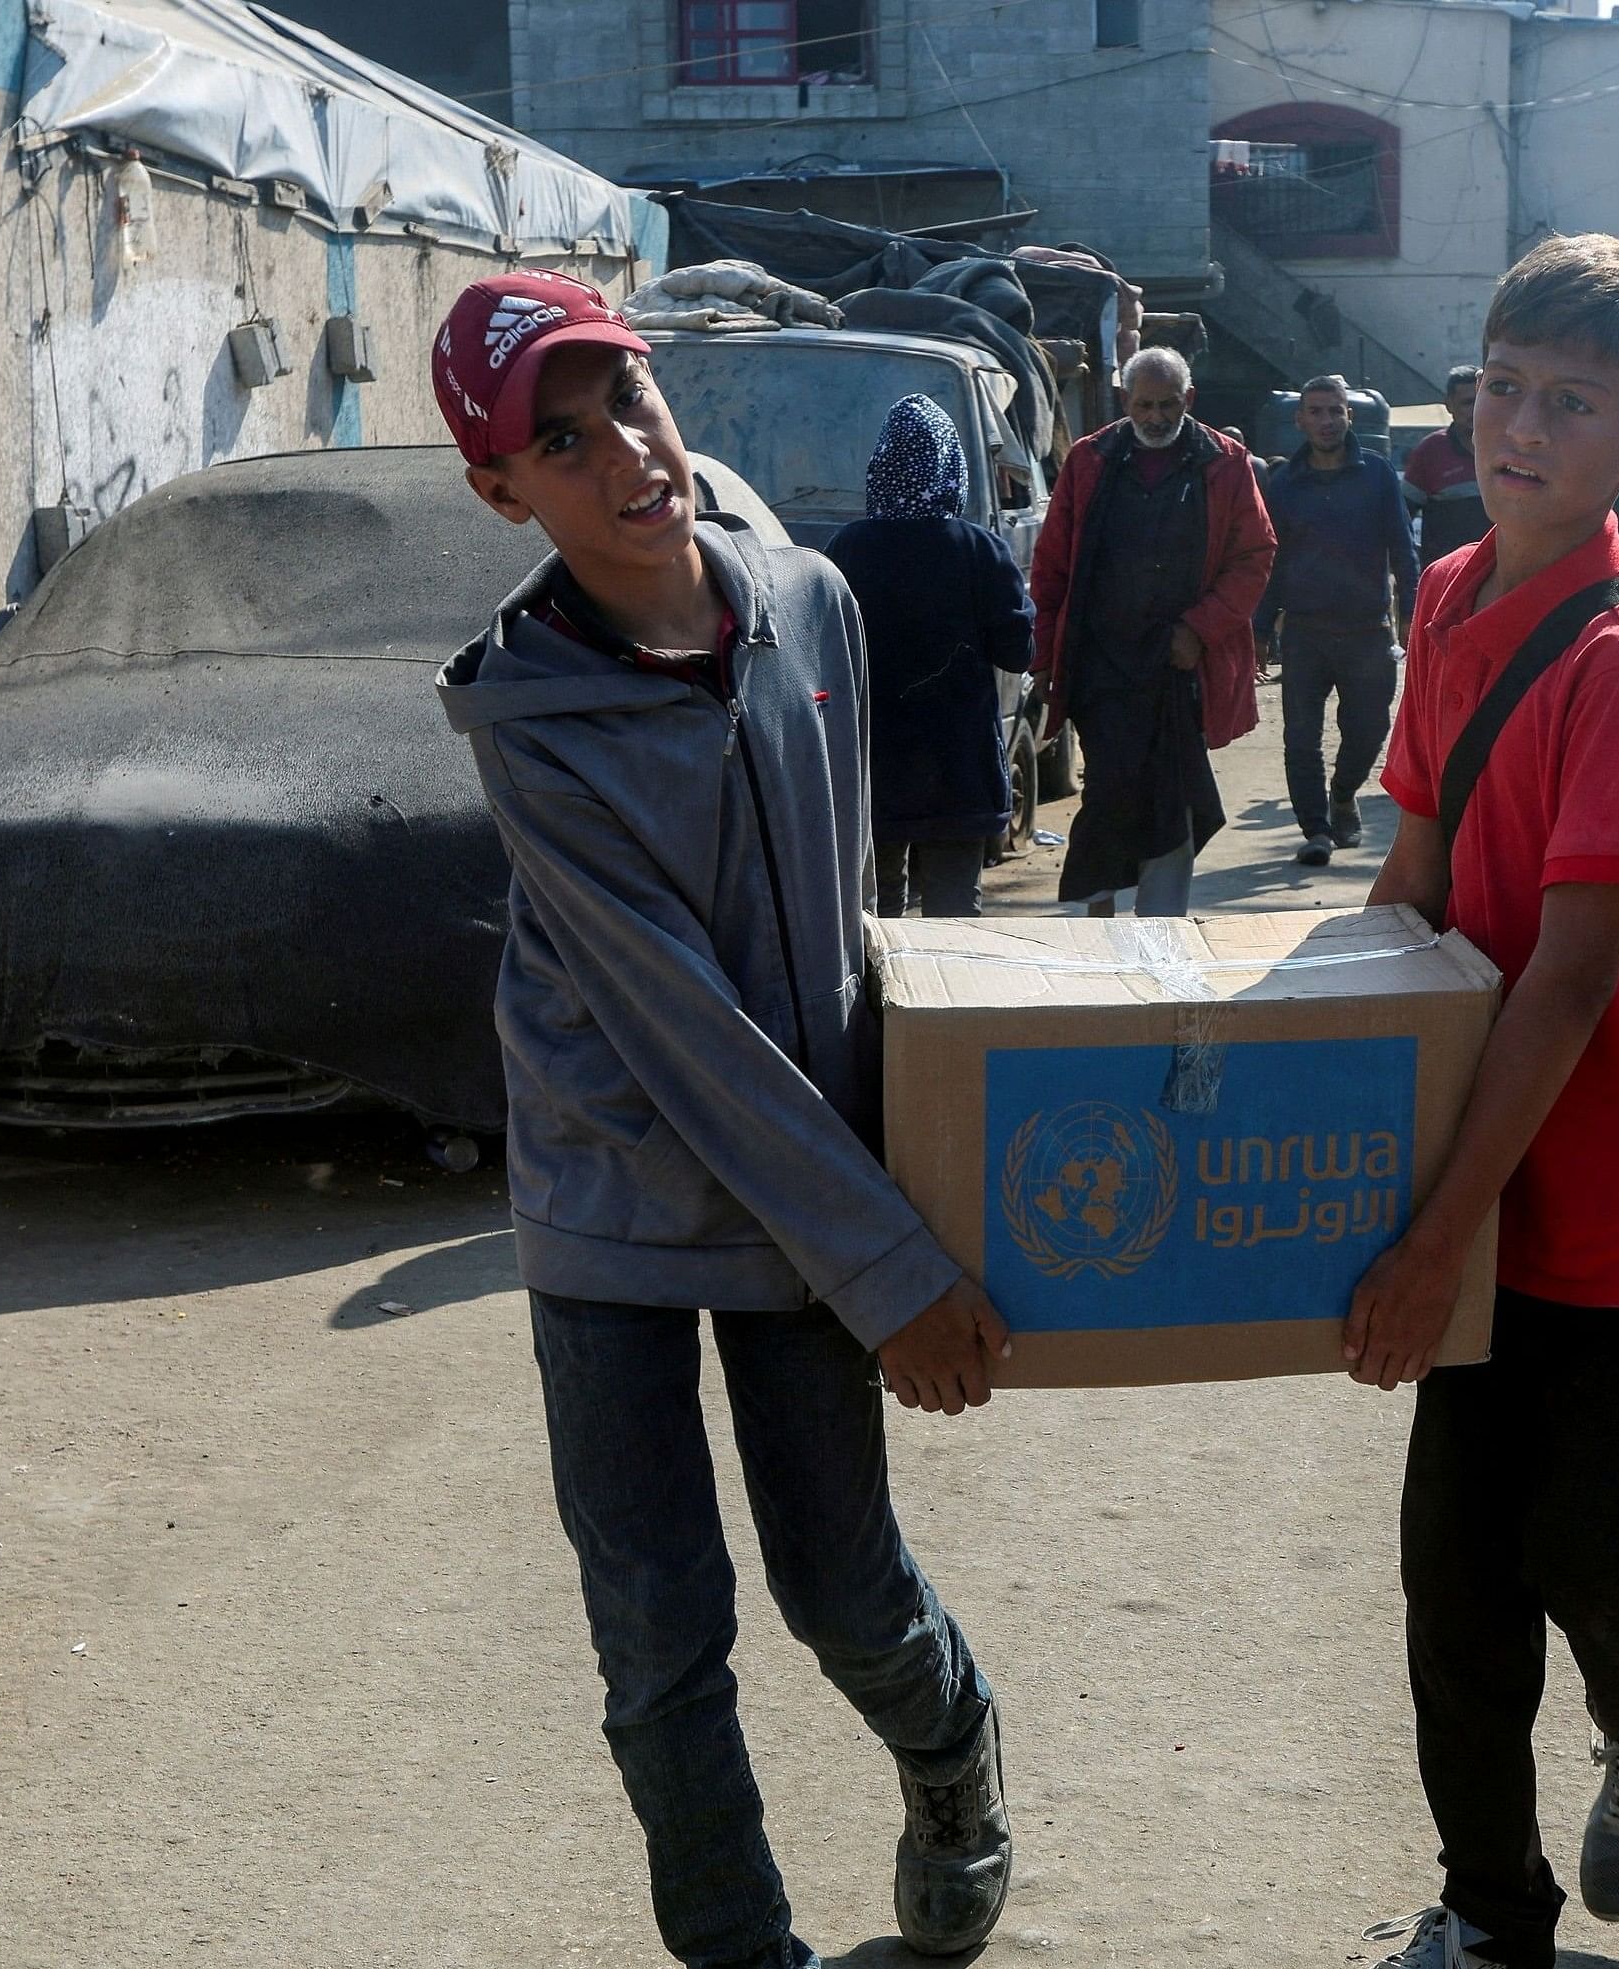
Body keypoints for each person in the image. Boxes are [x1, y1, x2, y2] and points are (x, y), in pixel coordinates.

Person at [426, 271, 1019, 1967]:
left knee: (843, 1586)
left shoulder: (813, 605)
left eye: (625, 397)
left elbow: (841, 940)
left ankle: (954, 1752)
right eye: (559, 439)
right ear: (502, 491)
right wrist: (889, 1263)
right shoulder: (527, 720)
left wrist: (898, 1196)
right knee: (659, 1635)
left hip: (797, 1192)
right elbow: (683, 1026)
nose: (621, 452)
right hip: (612, 1196)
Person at [1351, 233, 1619, 1969]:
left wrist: (1434, 1226)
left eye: (1573, 402)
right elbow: (1417, 886)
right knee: (1456, 1577)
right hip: (1484, 1172)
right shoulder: (1448, 596)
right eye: (1502, 385)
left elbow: (1573, 976)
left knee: (1591, 1545)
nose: (1519, 426)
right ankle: (1489, 1914)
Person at [1029, 346, 1276, 915]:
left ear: (1189, 400)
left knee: (1175, 795)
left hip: (1178, 668)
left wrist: (1199, 629)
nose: (1157, 417)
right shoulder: (1090, 460)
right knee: (1109, 790)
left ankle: (1162, 928)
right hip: (1100, 666)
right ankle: (1098, 918)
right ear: (1125, 401)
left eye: (1169, 404)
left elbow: (1255, 556)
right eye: (1145, 405)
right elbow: (1052, 566)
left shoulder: (1225, 462)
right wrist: (1045, 656)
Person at [824, 393, 1036, 917]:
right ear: (950, 466)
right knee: (953, 917)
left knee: (875, 914)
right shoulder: (980, 549)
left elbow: (819, 654)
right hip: (959, 772)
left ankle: (876, 1003)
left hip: (873, 769)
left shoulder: (846, 549)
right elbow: (1017, 653)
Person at [1256, 372, 1421, 866]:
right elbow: (1272, 562)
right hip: (1305, 633)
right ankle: (1316, 831)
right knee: (1300, 738)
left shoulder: (1375, 474)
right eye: (1317, 411)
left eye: (1336, 411)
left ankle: (1343, 793)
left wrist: (1411, 611)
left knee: (1369, 729)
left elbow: (1402, 549)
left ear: (1348, 416)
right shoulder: (1284, 484)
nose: (1327, 420)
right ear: (1300, 420)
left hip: (1368, 632)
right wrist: (1260, 629)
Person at [1406, 363, 1490, 560]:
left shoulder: (1508, 447)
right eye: (1467, 403)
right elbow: (1401, 518)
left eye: (1480, 401)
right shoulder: (1430, 451)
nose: (1475, 410)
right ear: (1449, 404)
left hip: (1498, 576)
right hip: (1447, 577)